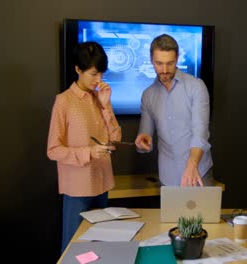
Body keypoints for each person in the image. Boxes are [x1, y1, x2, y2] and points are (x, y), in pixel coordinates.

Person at [47, 41, 122, 252]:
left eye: (102, 74)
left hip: (103, 182)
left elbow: (116, 136)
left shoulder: (100, 98)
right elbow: (53, 150)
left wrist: (106, 104)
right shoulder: (63, 101)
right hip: (78, 187)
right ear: (78, 70)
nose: (99, 80)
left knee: (100, 248)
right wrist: (89, 152)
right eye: (94, 74)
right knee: (75, 248)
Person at [135, 34, 213, 187]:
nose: (164, 70)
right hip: (168, 177)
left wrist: (192, 164)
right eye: (159, 63)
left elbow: (200, 132)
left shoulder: (196, 87)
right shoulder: (148, 95)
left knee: (204, 212)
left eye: (170, 63)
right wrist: (142, 143)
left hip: (199, 172)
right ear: (151, 60)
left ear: (177, 59)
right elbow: (145, 134)